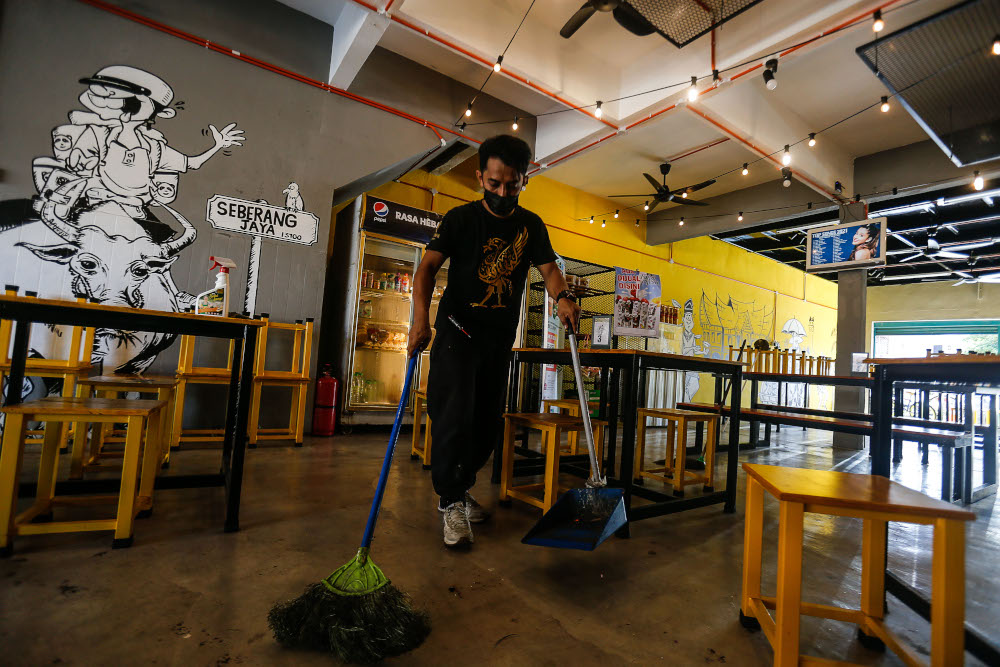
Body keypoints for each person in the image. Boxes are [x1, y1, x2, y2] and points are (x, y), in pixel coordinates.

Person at [407, 134, 581, 548]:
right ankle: (450, 501)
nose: (503, 193)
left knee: (485, 426)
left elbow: (549, 269)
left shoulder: (530, 226)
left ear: (525, 180)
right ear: (480, 176)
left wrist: (563, 296)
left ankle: (458, 488)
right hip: (455, 334)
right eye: (494, 184)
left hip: (497, 341)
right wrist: (420, 318)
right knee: (452, 421)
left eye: (512, 184)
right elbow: (427, 269)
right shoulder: (460, 220)